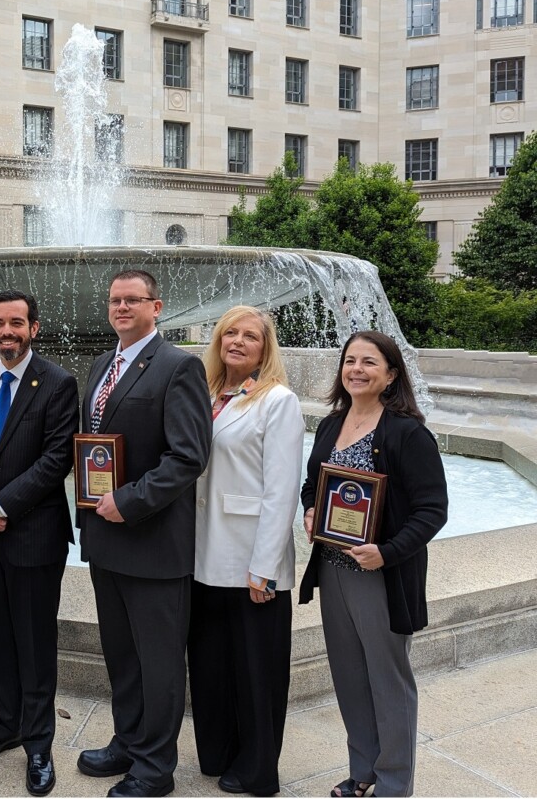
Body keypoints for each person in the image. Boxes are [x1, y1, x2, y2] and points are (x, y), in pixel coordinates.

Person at [76, 269, 212, 799]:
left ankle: (155, 768)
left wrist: (129, 502)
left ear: (156, 307)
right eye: (115, 300)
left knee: (159, 663)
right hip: (106, 540)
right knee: (123, 656)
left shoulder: (179, 367)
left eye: (133, 299)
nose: (122, 307)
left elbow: (188, 457)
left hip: (153, 542)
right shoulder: (101, 365)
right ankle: (128, 742)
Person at [299, 331, 448, 798]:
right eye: (350, 361)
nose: (356, 369)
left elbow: (433, 510)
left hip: (381, 575)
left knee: (388, 680)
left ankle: (394, 783)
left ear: (391, 374)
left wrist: (387, 551)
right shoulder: (331, 424)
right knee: (349, 677)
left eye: (369, 362)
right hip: (332, 569)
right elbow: (312, 483)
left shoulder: (407, 433)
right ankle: (362, 770)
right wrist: (310, 509)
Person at [0, 290, 78, 797]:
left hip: (33, 537)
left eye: (16, 323)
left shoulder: (58, 382)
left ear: (34, 328)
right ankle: (5, 726)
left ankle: (39, 743)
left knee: (34, 644)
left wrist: (1, 506)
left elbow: (56, 459)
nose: (7, 332)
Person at [187, 306, 304, 797]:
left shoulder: (277, 400)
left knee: (256, 671)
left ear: (264, 347)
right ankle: (216, 752)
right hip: (201, 555)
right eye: (229, 333)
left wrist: (265, 568)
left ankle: (257, 769)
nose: (237, 341)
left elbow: (282, 490)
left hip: (249, 559)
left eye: (249, 336)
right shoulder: (207, 394)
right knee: (210, 665)